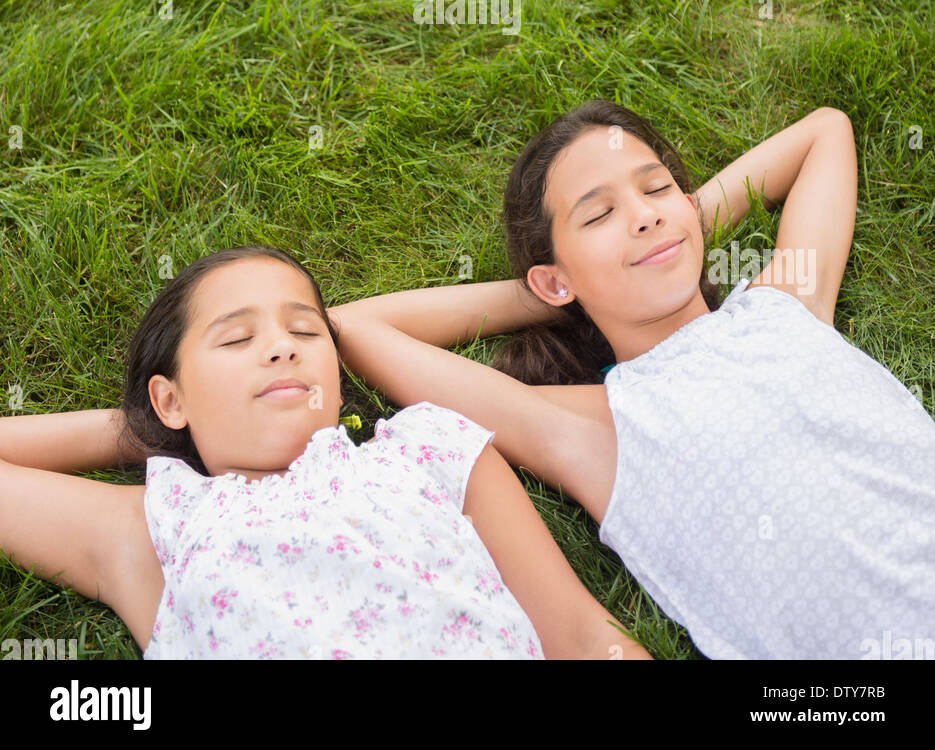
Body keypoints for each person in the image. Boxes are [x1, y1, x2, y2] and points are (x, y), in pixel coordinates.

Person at [321, 102, 935, 660]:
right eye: (601, 214)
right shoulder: (597, 429)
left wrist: (676, 226)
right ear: (551, 279)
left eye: (657, 187)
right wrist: (567, 293)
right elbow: (356, 327)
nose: (642, 215)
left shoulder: (788, 303)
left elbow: (824, 132)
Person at [0, 246, 653, 660]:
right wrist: (155, 424)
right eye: (235, 341)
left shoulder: (428, 448)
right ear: (170, 399)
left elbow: (578, 634)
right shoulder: (160, 528)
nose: (282, 347)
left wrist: (205, 405)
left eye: (305, 330)